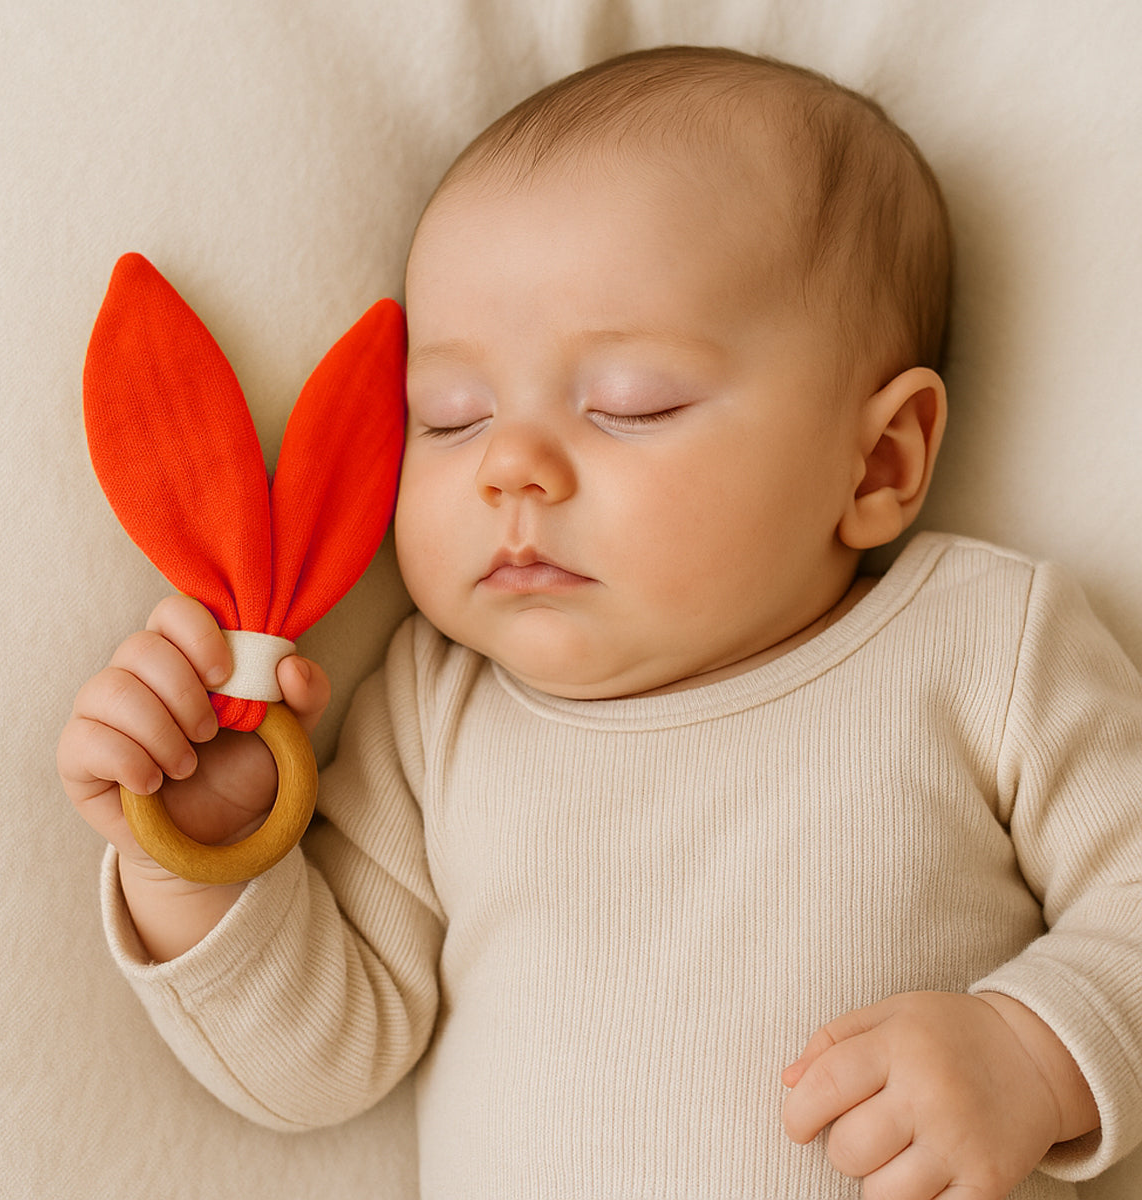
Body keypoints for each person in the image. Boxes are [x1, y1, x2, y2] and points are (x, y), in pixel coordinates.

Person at [57, 45, 1142, 1199]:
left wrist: (1036, 1053)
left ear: (878, 460)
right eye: (452, 417)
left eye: (631, 403)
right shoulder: (439, 712)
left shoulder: (983, 646)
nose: (511, 467)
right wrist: (204, 860)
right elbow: (321, 1065)